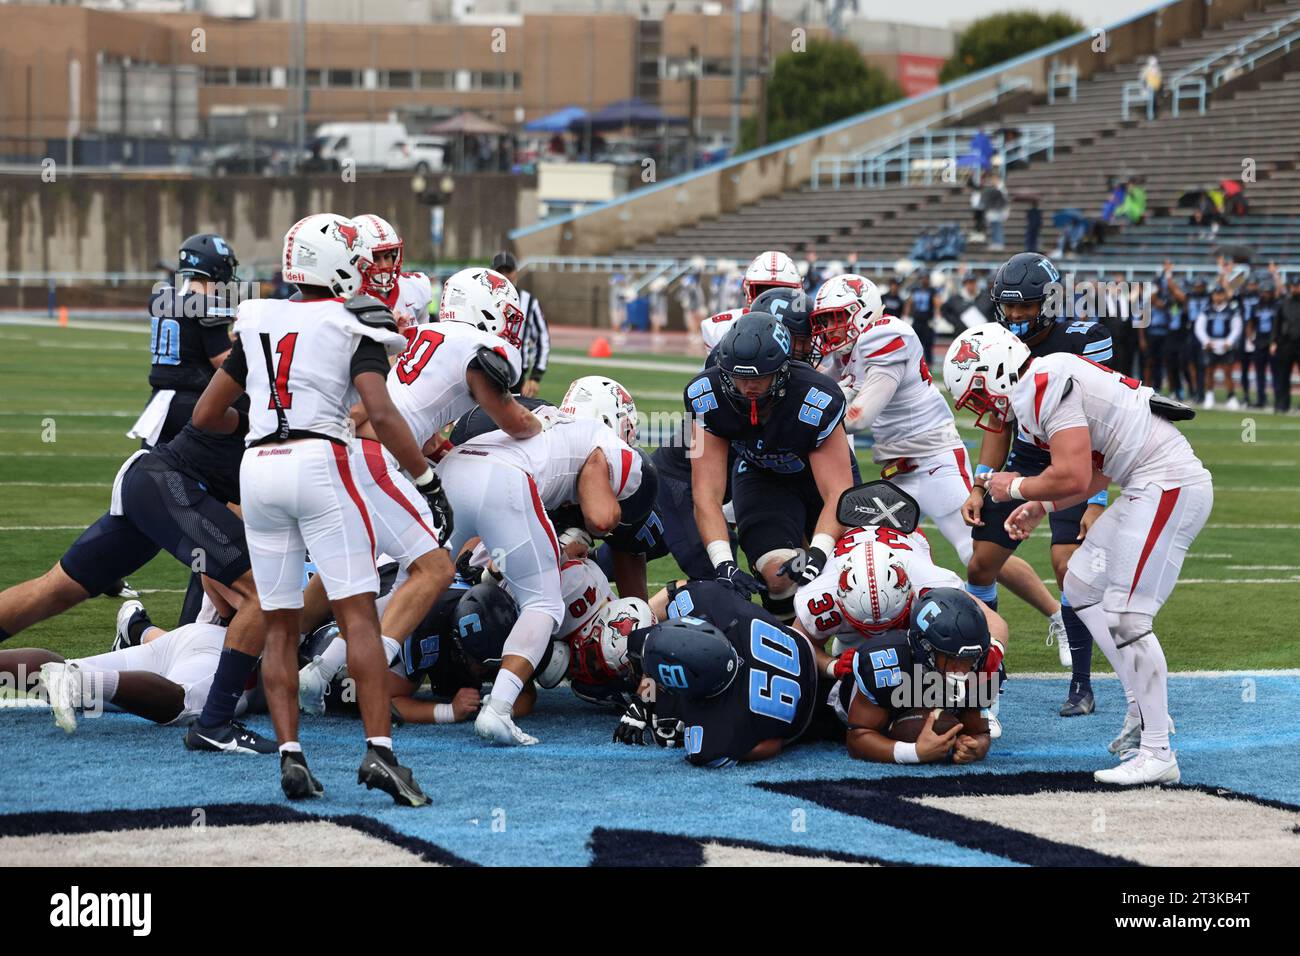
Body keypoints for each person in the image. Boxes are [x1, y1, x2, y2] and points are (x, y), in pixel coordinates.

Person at [193, 212, 436, 805]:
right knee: (358, 616)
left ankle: (291, 756)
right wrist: (425, 477)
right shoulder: (355, 321)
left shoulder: (256, 319)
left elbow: (206, 416)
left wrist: (254, 426)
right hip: (321, 462)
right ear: (338, 262)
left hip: (259, 468)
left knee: (278, 621)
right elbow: (379, 412)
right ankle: (379, 752)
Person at [948, 323, 1213, 785]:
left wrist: (1014, 487)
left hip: (1169, 482)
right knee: (1082, 583)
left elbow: (1071, 474)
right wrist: (1040, 506)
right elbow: (1094, 471)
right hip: (1144, 483)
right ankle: (1139, 707)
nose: (982, 408)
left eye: (978, 393)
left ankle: (1158, 751)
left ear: (996, 372)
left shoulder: (1047, 382)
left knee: (1130, 617)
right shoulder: (1039, 386)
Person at [954, 253, 1114, 718]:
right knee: (981, 564)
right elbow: (998, 419)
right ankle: (983, 671)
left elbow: (1098, 422)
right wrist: (981, 484)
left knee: (1068, 564)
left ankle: (1082, 682)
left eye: (1026, 306)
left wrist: (1096, 498)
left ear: (1049, 301)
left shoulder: (1086, 338)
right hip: (1029, 453)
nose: (1017, 316)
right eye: (1010, 307)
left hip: (1080, 455)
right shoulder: (999, 341)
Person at [436, 415, 647, 745]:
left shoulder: (562, 435)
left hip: (463, 473)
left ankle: (329, 661)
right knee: (537, 606)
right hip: (500, 497)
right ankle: (498, 708)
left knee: (419, 576)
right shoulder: (608, 455)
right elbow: (600, 519)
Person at [685, 312, 854, 623]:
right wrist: (723, 562)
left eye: (758, 378)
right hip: (761, 475)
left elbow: (839, 492)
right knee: (777, 575)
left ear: (782, 372)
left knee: (854, 573)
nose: (748, 387)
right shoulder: (705, 396)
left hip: (817, 479)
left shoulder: (816, 397)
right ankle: (795, 655)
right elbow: (705, 493)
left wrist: (818, 552)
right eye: (739, 377)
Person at [612, 579, 827, 767]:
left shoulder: (711, 741)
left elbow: (771, 745)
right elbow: (677, 589)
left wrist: (649, 700)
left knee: (666, 726)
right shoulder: (713, 603)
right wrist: (644, 700)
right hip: (805, 646)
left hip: (811, 720)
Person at [833, 587, 997, 765]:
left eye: (969, 658)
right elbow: (858, 738)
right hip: (844, 716)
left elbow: (980, 733)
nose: (962, 669)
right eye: (952, 658)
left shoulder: (980, 666)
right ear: (924, 647)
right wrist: (914, 753)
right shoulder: (887, 661)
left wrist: (975, 747)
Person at [130, 233, 239, 449]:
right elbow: (222, 362)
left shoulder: (162, 297)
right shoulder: (209, 304)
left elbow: (190, 340)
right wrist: (244, 349)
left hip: (159, 403)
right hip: (194, 404)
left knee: (155, 472)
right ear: (217, 268)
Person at [354, 214, 433, 330]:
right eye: (375, 258)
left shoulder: (415, 286)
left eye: (387, 256)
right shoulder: (348, 296)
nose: (384, 265)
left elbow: (424, 338)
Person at [491, 252, 548, 396]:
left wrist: (535, 376)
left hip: (517, 375)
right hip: (487, 370)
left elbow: (542, 338)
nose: (505, 275)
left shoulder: (529, 302)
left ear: (516, 272)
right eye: (500, 271)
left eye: (508, 271)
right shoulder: (481, 297)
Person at [1194, 284, 1243, 409]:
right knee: (1209, 372)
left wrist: (1230, 341)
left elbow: (1237, 328)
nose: (1218, 297)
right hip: (1211, 343)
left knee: (1228, 372)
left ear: (1225, 295)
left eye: (1220, 294)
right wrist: (1206, 342)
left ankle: (1231, 397)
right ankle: (1209, 396)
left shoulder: (1232, 311)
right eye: (1216, 294)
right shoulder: (1206, 311)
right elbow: (1199, 327)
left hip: (1226, 344)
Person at [1272, 270, 1300, 414]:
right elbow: (1276, 324)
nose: (1295, 288)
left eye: (1298, 286)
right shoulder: (1284, 303)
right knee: (1283, 376)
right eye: (1294, 286)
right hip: (1286, 343)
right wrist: (1274, 341)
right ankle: (1283, 404)